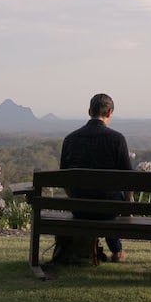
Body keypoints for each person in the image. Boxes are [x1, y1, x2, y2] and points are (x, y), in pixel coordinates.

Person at [59, 92, 133, 263]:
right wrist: (128, 207)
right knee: (112, 199)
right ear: (109, 113)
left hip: (79, 208)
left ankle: (108, 250)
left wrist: (75, 197)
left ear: (89, 111)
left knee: (102, 199)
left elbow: (63, 178)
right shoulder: (117, 139)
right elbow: (129, 178)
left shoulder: (70, 139)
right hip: (108, 209)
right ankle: (117, 251)